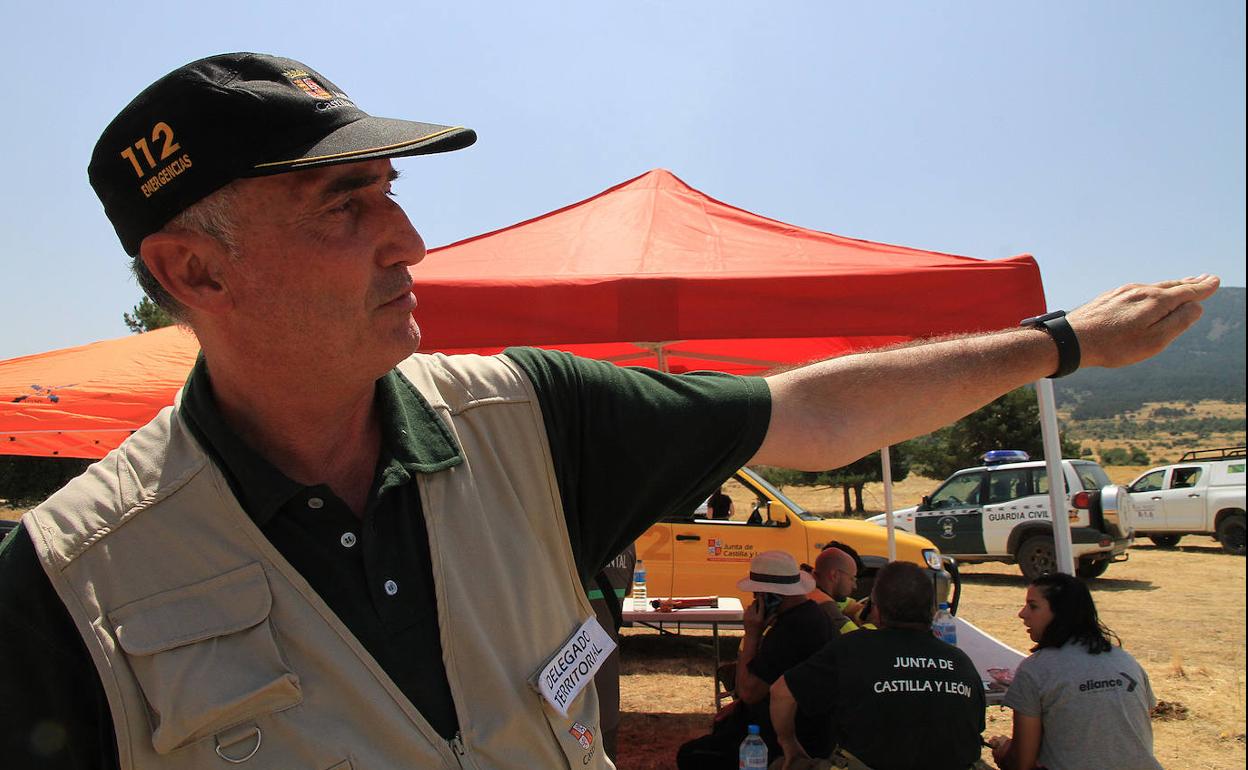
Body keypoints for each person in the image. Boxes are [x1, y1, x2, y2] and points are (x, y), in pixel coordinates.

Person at [0, 51, 1215, 770]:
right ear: (192, 271)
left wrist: (1061, 343)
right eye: (342, 205)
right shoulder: (63, 581)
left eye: (392, 192)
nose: (410, 240)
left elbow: (806, 412)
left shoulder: (531, 415)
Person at [770, 561, 986, 770]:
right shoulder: (960, 661)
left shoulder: (852, 649)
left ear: (877, 608)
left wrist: (790, 745)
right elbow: (974, 730)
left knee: (781, 765)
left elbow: (781, 692)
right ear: (932, 611)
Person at [676, 551, 836, 768]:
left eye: (756, 595)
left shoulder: (792, 630)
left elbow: (749, 691)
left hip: (789, 740)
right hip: (805, 732)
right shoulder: (809, 617)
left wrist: (752, 634)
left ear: (769, 595)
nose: (754, 601)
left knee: (692, 756)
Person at [988, 573, 1162, 770]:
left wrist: (1004, 751)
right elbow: (1122, 735)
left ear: (1061, 613)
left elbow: (1022, 764)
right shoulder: (1125, 660)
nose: (1022, 613)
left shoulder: (1036, 669)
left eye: (1033, 606)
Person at [588, 544, 637, 763]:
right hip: (606, 664)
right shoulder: (628, 543)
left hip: (572, 669)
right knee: (606, 748)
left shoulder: (570, 539)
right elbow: (626, 590)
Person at [808, 546, 865, 633]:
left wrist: (860, 610)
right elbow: (858, 640)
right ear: (834, 575)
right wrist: (872, 623)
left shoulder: (809, 590)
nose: (854, 586)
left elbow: (847, 604)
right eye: (852, 579)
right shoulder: (825, 606)